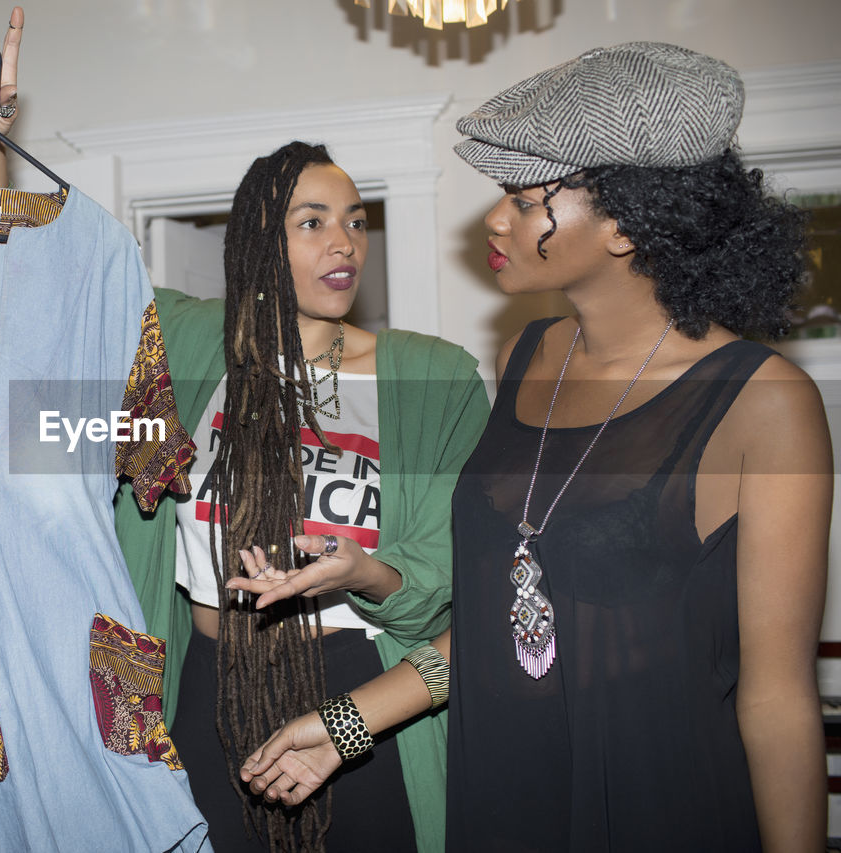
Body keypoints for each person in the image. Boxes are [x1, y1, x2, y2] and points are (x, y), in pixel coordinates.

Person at [233, 41, 830, 852]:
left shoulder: (763, 402)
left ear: (624, 221)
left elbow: (778, 701)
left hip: (658, 808)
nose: (495, 217)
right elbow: (499, 623)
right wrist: (344, 725)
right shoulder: (528, 356)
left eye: (523, 196)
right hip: (504, 797)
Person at [0, 6, 489, 851]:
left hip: (356, 683)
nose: (344, 242)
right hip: (202, 684)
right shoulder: (186, 344)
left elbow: (453, 580)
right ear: (257, 243)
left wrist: (363, 570)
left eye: (355, 220)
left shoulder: (434, 378)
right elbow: (19, 285)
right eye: (312, 222)